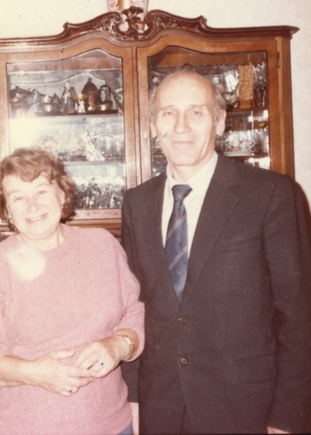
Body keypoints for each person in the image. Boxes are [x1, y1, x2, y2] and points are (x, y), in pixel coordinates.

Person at [121, 69, 311, 434]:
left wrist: (288, 417)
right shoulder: (137, 203)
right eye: (168, 113)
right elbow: (135, 306)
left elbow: (299, 314)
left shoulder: (270, 194)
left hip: (246, 407)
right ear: (153, 125)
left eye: (196, 112)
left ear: (220, 122)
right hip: (161, 406)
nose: (181, 126)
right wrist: (133, 398)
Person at [0, 147, 144, 435]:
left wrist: (119, 345)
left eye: (41, 191)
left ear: (61, 194)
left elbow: (134, 311)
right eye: (18, 197)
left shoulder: (102, 245)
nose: (32, 206)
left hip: (111, 425)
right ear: (6, 210)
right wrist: (34, 373)